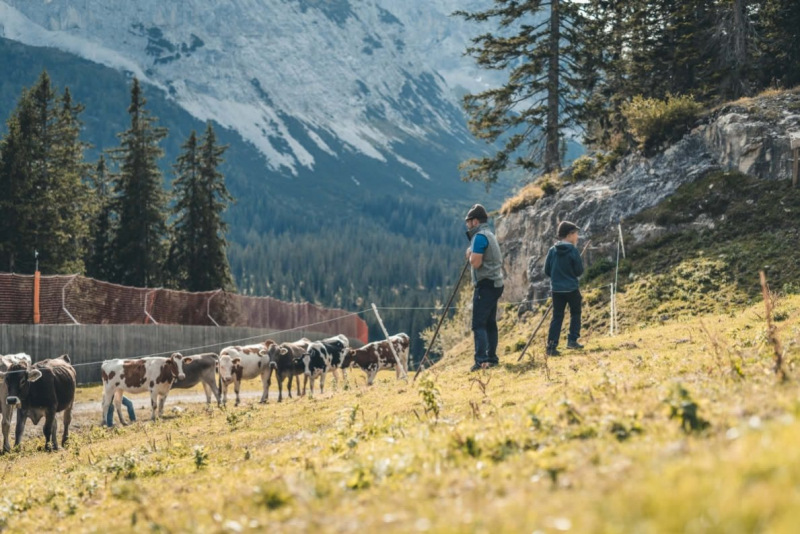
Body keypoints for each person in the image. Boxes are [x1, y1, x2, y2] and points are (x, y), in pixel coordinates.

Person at [464, 204, 504, 372]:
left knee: (478, 324)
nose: (467, 225)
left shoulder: (479, 237)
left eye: (468, 222)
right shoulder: (490, 234)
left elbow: (476, 262)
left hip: (485, 284)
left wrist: (470, 254)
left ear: (475, 221)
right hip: (496, 283)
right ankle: (492, 358)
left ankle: (481, 361)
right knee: (490, 323)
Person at [544, 221, 584, 356]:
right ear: (570, 235)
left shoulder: (552, 251)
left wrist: (557, 278)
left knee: (557, 317)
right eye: (576, 234)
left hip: (556, 290)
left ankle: (551, 346)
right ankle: (572, 340)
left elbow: (547, 270)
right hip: (572, 288)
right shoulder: (573, 250)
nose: (577, 237)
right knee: (575, 313)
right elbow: (579, 271)